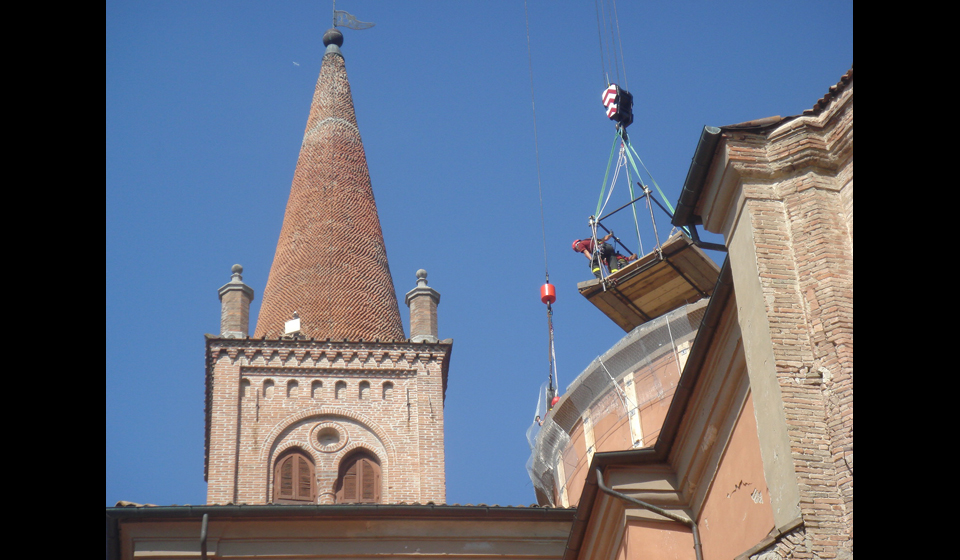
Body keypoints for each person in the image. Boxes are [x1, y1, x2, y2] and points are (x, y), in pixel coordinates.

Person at [572, 233, 636, 279]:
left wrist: (592, 260)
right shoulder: (591, 240)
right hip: (608, 247)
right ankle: (615, 273)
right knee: (611, 260)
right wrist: (610, 235)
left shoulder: (580, 244)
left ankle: (600, 278)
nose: (579, 250)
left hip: (601, 249)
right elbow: (604, 239)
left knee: (593, 263)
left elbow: (585, 252)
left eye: (577, 250)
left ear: (576, 246)